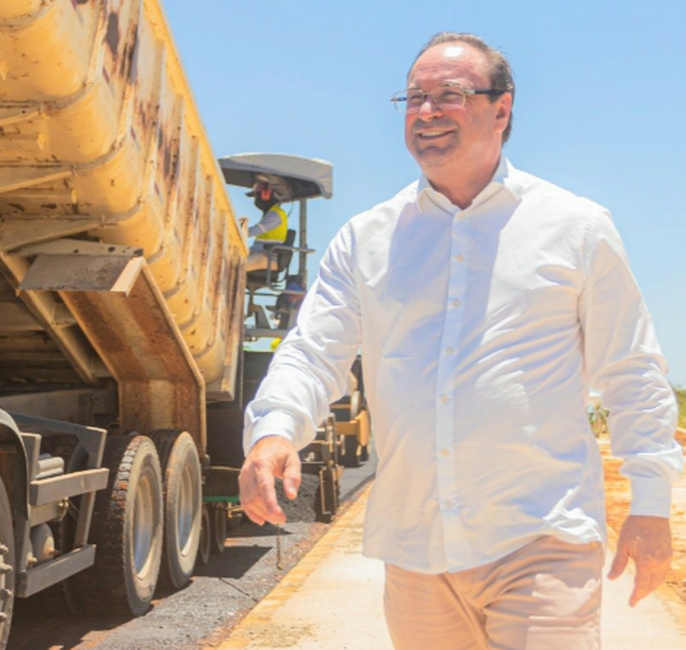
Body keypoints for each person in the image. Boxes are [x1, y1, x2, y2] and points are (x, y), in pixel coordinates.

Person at [239, 32, 682, 650]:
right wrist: (274, 430)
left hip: (540, 538)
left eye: (449, 95)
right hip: (418, 549)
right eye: (415, 97)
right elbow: (314, 351)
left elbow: (630, 369)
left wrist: (652, 502)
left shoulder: (575, 228)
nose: (426, 113)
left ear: (501, 109)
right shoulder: (368, 238)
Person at [244, 180, 289, 273]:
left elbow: (253, 231)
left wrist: (236, 231)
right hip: (262, 253)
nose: (255, 200)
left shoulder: (276, 214)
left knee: (235, 266)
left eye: (256, 195)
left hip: (269, 257)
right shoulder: (270, 213)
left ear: (266, 194)